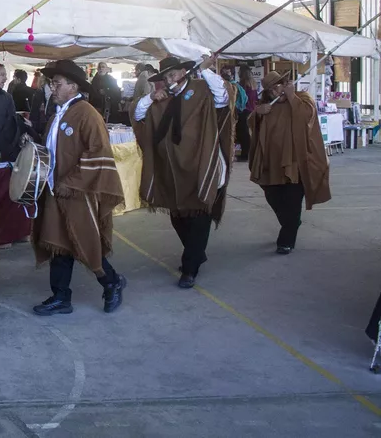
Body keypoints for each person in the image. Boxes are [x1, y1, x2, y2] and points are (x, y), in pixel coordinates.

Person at [32, 61, 126, 316]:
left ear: (73, 87)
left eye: (57, 84)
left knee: (86, 241)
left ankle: (112, 281)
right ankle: (61, 296)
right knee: (58, 243)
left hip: (78, 192)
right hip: (55, 190)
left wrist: (71, 182)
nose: (53, 88)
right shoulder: (56, 115)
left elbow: (98, 153)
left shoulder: (87, 114)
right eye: (52, 84)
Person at [133, 55, 233, 289]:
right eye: (166, 77)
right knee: (178, 217)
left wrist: (207, 70)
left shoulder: (202, 89)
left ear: (184, 72)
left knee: (199, 216)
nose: (169, 80)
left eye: (173, 74)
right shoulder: (163, 99)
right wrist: (151, 96)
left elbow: (223, 98)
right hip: (173, 170)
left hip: (200, 165)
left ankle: (190, 268)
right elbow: (138, 115)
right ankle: (196, 252)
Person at [248, 71, 330, 254]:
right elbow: (251, 124)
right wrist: (257, 113)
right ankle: (291, 223)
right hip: (270, 163)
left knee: (292, 202)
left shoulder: (302, 99)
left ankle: (286, 240)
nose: (277, 92)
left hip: (295, 163)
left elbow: (307, 118)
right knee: (274, 199)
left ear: (287, 84)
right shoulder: (266, 106)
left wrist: (292, 96)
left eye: (279, 86)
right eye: (271, 90)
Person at [236, 66, 258, 161]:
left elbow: (241, 98)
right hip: (252, 110)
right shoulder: (253, 83)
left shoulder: (243, 84)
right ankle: (248, 153)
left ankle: (245, 154)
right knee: (247, 133)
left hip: (244, 110)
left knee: (243, 133)